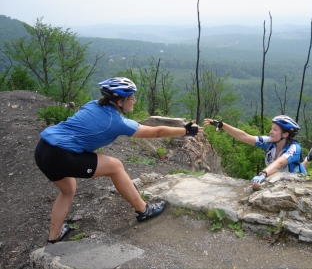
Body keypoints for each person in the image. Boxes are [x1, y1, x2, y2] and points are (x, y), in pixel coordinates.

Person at [34, 77, 203, 245]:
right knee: (115, 166)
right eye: (132, 97)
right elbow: (156, 132)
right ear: (121, 101)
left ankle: (54, 237)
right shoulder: (116, 121)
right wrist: (185, 131)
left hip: (43, 149)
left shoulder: (93, 104)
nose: (135, 101)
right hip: (61, 155)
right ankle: (143, 210)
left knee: (68, 189)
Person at [203, 115, 312, 189]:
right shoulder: (269, 142)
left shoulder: (294, 148)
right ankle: (308, 158)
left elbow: (279, 163)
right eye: (271, 128)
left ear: (285, 134)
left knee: (297, 167)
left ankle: (308, 159)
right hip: (276, 175)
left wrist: (262, 174)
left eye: (275, 130)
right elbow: (244, 137)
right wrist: (223, 125)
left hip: (294, 180)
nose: (271, 132)